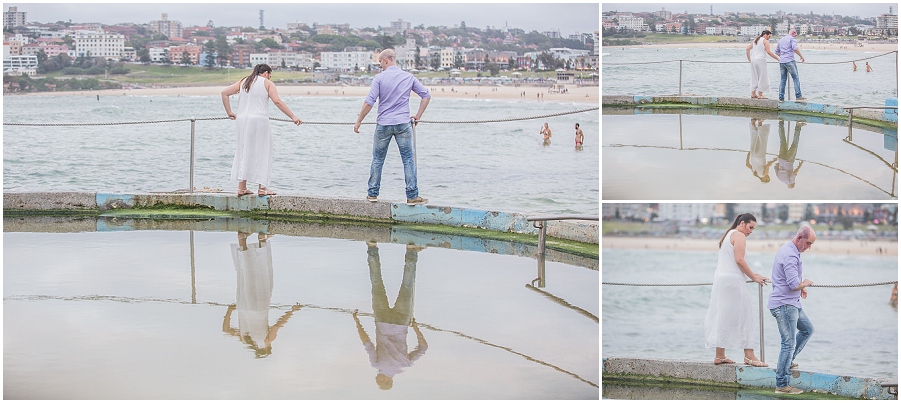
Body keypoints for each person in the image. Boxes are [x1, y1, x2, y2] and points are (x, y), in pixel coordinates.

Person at [354, 49, 431, 205]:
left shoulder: (379, 78)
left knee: (377, 159)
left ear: (386, 60)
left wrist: (359, 121)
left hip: (384, 124)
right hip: (403, 123)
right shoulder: (408, 77)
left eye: (380, 62)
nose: (380, 65)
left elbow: (370, 101)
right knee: (408, 160)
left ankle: (372, 194)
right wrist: (418, 116)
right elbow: (426, 95)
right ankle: (412, 195)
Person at [353, 241, 428, 390]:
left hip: (402, 323)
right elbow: (367, 343)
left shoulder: (405, 364)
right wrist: (356, 321)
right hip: (382, 321)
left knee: (407, 286)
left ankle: (411, 251)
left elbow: (423, 347)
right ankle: (372, 247)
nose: (376, 377)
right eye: (379, 380)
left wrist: (415, 327)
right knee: (376, 284)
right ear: (386, 381)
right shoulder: (377, 364)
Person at [221, 63, 302, 197]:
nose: (270, 77)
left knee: (244, 150)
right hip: (259, 120)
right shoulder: (267, 83)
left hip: (242, 121)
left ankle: (242, 187)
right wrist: (293, 116)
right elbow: (277, 101)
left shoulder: (244, 81)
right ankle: (262, 188)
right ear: (266, 73)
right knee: (263, 151)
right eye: (270, 75)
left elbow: (224, 93)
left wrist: (229, 112)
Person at [704, 213, 769, 368]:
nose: (751, 231)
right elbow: (739, 260)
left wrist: (753, 274)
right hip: (733, 281)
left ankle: (719, 355)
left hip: (723, 281)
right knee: (746, 316)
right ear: (742, 223)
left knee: (724, 316)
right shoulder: (739, 235)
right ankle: (749, 356)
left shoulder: (728, 235)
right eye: (750, 227)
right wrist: (754, 277)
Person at [222, 232, 301, 358]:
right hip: (244, 306)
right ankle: (242, 238)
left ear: (267, 349)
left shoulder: (267, 341)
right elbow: (226, 329)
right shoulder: (245, 340)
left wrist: (293, 311)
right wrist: (230, 310)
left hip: (261, 308)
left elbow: (279, 324)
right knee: (246, 276)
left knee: (263, 275)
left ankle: (262, 240)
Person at [768, 226, 816, 395]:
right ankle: (782, 384)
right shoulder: (789, 254)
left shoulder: (792, 250)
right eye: (808, 243)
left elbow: (793, 281)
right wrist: (805, 283)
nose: (809, 247)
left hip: (791, 302)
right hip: (784, 305)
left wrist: (800, 286)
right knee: (788, 344)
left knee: (807, 329)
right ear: (799, 238)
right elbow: (793, 284)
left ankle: (788, 361)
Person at [746, 30, 780, 99]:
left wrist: (749, 58)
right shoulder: (765, 41)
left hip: (753, 60)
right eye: (769, 36)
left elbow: (747, 49)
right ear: (766, 35)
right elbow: (769, 52)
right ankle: (760, 94)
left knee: (754, 76)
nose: (769, 38)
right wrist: (777, 58)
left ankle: (753, 93)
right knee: (762, 77)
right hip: (761, 60)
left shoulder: (756, 40)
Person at [775, 29, 806, 102]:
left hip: (782, 61)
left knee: (783, 80)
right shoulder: (792, 39)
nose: (796, 36)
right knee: (795, 78)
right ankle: (798, 96)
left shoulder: (781, 40)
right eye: (795, 34)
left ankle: (781, 98)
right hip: (790, 61)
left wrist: (783, 56)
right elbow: (795, 48)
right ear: (793, 33)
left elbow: (777, 52)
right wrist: (801, 56)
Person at [776, 120, 805, 189]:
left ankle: (798, 126)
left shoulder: (790, 181)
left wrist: (799, 165)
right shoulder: (780, 179)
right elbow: (776, 166)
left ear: (793, 184)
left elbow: (794, 173)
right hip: (780, 159)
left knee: (794, 144)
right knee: (782, 140)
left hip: (788, 161)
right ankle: (781, 122)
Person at [746, 118, 776, 182]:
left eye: (768, 178)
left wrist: (774, 160)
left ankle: (760, 122)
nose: (768, 176)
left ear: (763, 179)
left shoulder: (763, 174)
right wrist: (749, 154)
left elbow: (768, 165)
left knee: (762, 139)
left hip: (760, 156)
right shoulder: (755, 173)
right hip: (753, 155)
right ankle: (753, 122)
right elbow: (747, 165)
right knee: (754, 138)